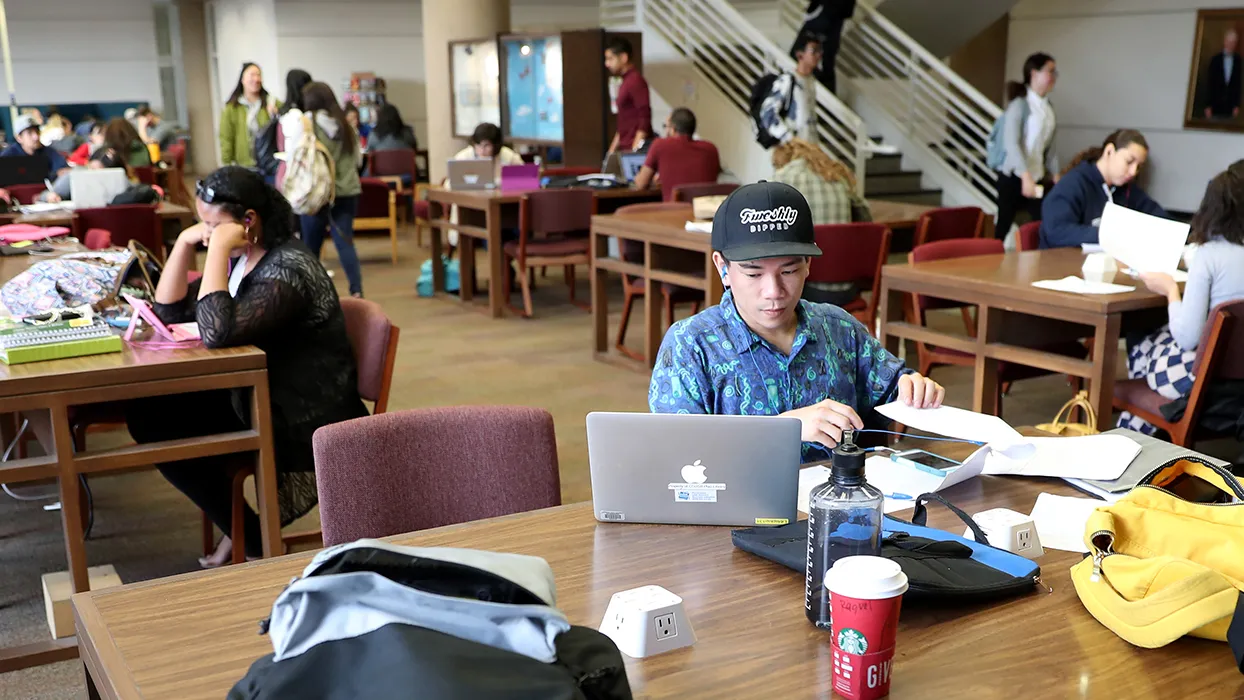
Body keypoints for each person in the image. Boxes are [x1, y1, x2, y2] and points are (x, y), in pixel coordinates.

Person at [124, 166, 367, 566]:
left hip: (301, 410)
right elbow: (168, 310)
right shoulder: (247, 257)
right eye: (202, 224)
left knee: (158, 422)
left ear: (248, 221)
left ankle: (252, 541)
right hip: (259, 391)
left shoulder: (287, 268)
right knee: (150, 415)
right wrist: (186, 243)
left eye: (213, 225)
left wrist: (217, 250)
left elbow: (217, 331)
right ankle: (244, 532)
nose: (207, 233)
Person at [648, 181, 944, 460]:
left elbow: (893, 385)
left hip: (841, 505)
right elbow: (677, 453)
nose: (774, 292)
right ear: (723, 268)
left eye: (789, 271)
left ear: (808, 265)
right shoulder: (691, 345)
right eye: (753, 274)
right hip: (737, 510)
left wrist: (913, 386)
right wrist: (784, 429)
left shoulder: (838, 329)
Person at [1119, 161, 1244, 435]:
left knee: (1143, 341)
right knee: (1159, 338)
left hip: (1204, 380)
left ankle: (1136, 429)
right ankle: (1143, 427)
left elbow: (1188, 337)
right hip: (1236, 384)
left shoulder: (1208, 256)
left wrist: (1170, 290)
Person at [286, 81, 364, 298]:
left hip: (315, 193)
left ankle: (312, 295)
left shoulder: (306, 123)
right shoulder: (346, 125)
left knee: (311, 247)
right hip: (347, 192)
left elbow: (294, 156)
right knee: (345, 242)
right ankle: (356, 291)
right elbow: (358, 160)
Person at [1039, 129, 1167, 249]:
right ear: (1109, 151)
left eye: (1139, 166)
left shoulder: (1125, 189)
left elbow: (1159, 217)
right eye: (1129, 161)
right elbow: (1057, 231)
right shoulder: (1073, 183)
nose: (1134, 172)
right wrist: (1113, 234)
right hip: (1059, 264)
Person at [993, 52, 1059, 242]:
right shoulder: (1020, 105)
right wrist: (1025, 176)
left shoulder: (1048, 108)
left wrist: (1055, 175)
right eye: (1050, 71)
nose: (1053, 77)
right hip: (1014, 176)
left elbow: (1051, 148)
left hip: (1036, 175)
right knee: (1004, 223)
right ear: (1034, 73)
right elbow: (1011, 143)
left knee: (1042, 221)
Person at [446, 122, 524, 250]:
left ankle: (505, 267)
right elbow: (450, 184)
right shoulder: (464, 157)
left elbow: (523, 177)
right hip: (473, 210)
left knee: (514, 231)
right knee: (491, 236)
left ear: (496, 145)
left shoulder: (507, 156)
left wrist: (498, 182)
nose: (481, 150)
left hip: (503, 208)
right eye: (478, 145)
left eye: (487, 145)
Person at [771, 137, 869, 225]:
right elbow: (865, 219)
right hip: (839, 243)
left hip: (804, 244)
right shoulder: (839, 177)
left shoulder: (780, 179)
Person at [633, 107, 720, 201]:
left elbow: (641, 184)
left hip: (674, 213)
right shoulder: (711, 149)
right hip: (704, 213)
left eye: (666, 126)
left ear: (672, 129)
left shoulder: (660, 145)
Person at [760, 33, 823, 148]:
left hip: (809, 147)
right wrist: (788, 138)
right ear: (800, 55)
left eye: (819, 51)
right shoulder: (788, 80)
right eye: (813, 51)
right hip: (793, 149)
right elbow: (767, 113)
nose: (818, 55)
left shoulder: (811, 81)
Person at [219, 62, 279, 167]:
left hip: (269, 164)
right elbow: (226, 138)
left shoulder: (271, 102)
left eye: (259, 75)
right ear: (242, 79)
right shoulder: (231, 108)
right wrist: (227, 164)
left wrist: (276, 115)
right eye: (252, 75)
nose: (256, 79)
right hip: (243, 165)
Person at [790, 0, 855, 94]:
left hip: (833, 16)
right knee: (803, 54)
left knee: (826, 61)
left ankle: (826, 99)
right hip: (826, 14)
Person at [604, 36, 651, 154]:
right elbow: (623, 124)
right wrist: (611, 153)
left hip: (635, 150)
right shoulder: (626, 82)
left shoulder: (635, 81)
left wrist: (635, 151)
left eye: (610, 59)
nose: (607, 64)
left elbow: (644, 118)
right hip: (626, 149)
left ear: (624, 57)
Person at [38, 147, 130, 203]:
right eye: (92, 169)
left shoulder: (126, 185)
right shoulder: (74, 175)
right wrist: (50, 196)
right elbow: (43, 195)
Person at [275, 68, 313, 190]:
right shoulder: (297, 116)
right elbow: (295, 150)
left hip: (286, 172)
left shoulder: (284, 114)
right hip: (296, 176)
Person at [1, 114, 69, 175]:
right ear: (19, 138)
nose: (36, 137)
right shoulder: (8, 156)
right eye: (29, 133)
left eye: (37, 132)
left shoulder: (49, 152)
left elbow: (63, 170)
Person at [1205, 29, 1242, 119]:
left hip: (1230, 108)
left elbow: (1239, 84)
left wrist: (1237, 105)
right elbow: (1210, 83)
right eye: (1229, 42)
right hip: (1215, 106)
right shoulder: (1215, 60)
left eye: (1233, 43)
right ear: (1225, 42)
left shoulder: (1239, 61)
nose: (1231, 45)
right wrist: (1208, 106)